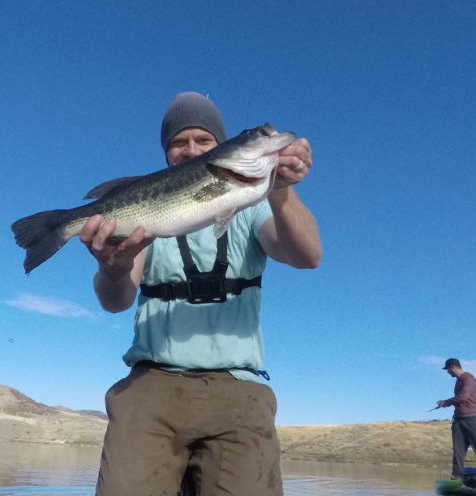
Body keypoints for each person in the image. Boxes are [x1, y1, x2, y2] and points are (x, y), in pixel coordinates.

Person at [79, 91, 322, 496]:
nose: (190, 148)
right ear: (167, 152)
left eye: (204, 140)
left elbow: (307, 255)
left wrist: (280, 190)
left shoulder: (254, 203)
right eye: (178, 142)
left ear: (220, 146)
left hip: (238, 388)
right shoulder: (149, 203)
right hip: (150, 384)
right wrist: (112, 267)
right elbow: (114, 300)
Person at [437, 358, 476, 483]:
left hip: (472, 420)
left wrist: (446, 402)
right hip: (458, 421)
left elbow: (463, 397)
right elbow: (459, 399)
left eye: (447, 370)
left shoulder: (468, 378)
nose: (447, 372)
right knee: (458, 450)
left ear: (452, 367)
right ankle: (457, 477)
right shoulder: (458, 382)